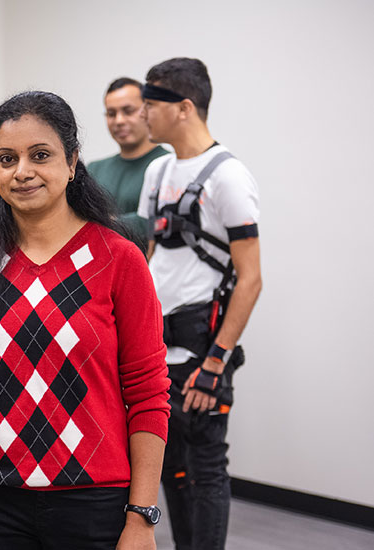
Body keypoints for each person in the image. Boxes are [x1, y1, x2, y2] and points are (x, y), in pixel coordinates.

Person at [0, 91, 170, 550]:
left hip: (94, 502)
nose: (23, 171)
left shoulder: (119, 260)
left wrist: (142, 518)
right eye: (7, 158)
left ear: (72, 161)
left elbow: (149, 394)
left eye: (41, 155)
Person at [136, 57, 262, 550]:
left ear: (184, 108)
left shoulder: (228, 177)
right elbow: (149, 257)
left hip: (201, 349)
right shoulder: (157, 170)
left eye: (152, 104)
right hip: (158, 348)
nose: (144, 113)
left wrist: (216, 363)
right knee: (172, 466)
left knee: (206, 468)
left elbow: (250, 280)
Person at [87, 77, 168, 249]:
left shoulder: (168, 166)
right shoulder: (94, 170)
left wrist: (102, 223)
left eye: (128, 111)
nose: (119, 121)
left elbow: (159, 224)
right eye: (111, 114)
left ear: (146, 111)